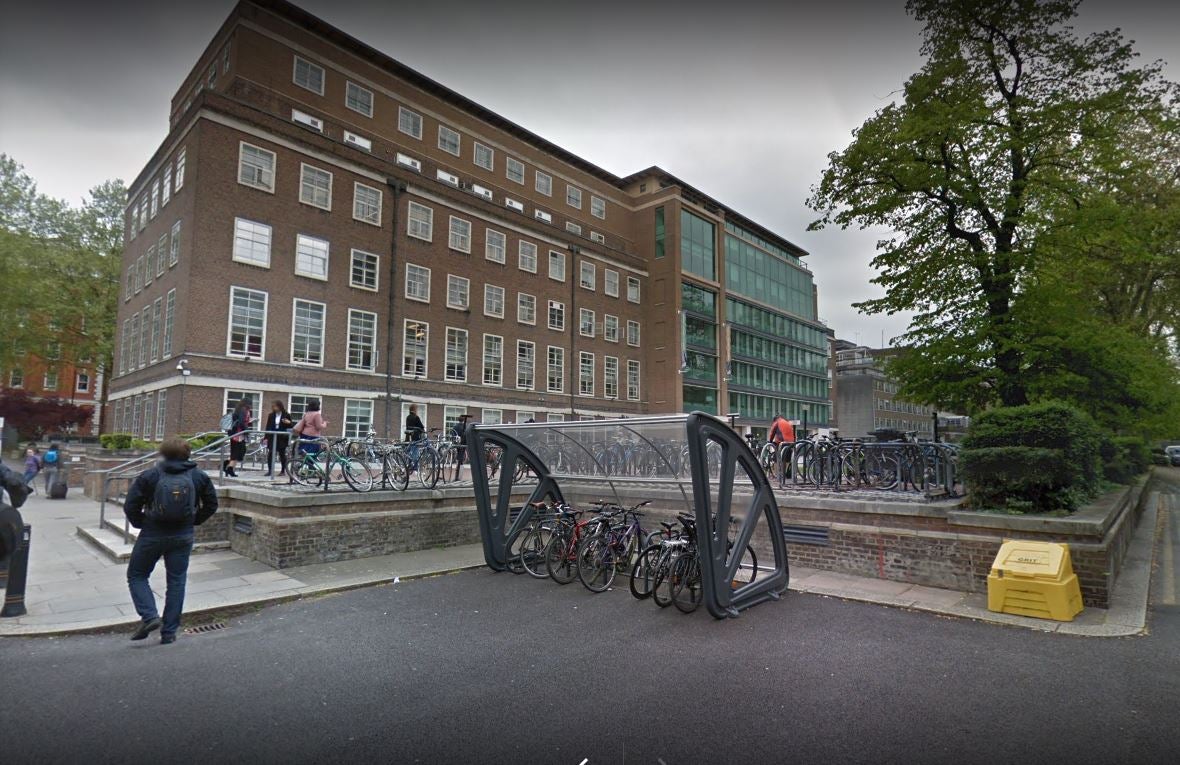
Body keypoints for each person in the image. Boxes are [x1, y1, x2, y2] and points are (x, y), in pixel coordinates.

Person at [123, 437, 218, 644]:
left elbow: (131, 505)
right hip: (183, 535)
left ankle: (149, 616)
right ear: (188, 454)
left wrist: (141, 523)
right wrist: (194, 520)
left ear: (163, 454)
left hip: (152, 533)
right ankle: (169, 632)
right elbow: (211, 504)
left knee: (137, 575)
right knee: (176, 581)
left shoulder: (150, 476)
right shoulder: (198, 476)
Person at [222, 399, 253, 477]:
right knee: (238, 452)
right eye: (250, 404)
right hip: (238, 434)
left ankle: (228, 466)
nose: (251, 406)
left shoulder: (238, 409)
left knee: (236, 452)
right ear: (247, 404)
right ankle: (229, 467)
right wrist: (247, 429)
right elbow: (241, 422)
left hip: (235, 433)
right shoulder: (244, 410)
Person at [264, 400, 293, 477]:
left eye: (275, 406)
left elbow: (291, 426)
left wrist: (289, 423)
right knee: (270, 453)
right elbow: (268, 426)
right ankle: (270, 470)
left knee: (282, 454)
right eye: (273, 407)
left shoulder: (286, 415)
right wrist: (265, 437)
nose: (274, 408)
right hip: (272, 436)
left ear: (280, 406)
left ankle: (283, 470)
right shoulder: (271, 415)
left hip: (281, 437)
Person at [450, 413, 470, 481]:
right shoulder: (466, 427)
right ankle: (459, 476)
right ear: (464, 420)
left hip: (457, 444)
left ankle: (457, 475)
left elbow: (452, 434)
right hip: (464, 443)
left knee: (459, 457)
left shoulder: (455, 426)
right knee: (460, 458)